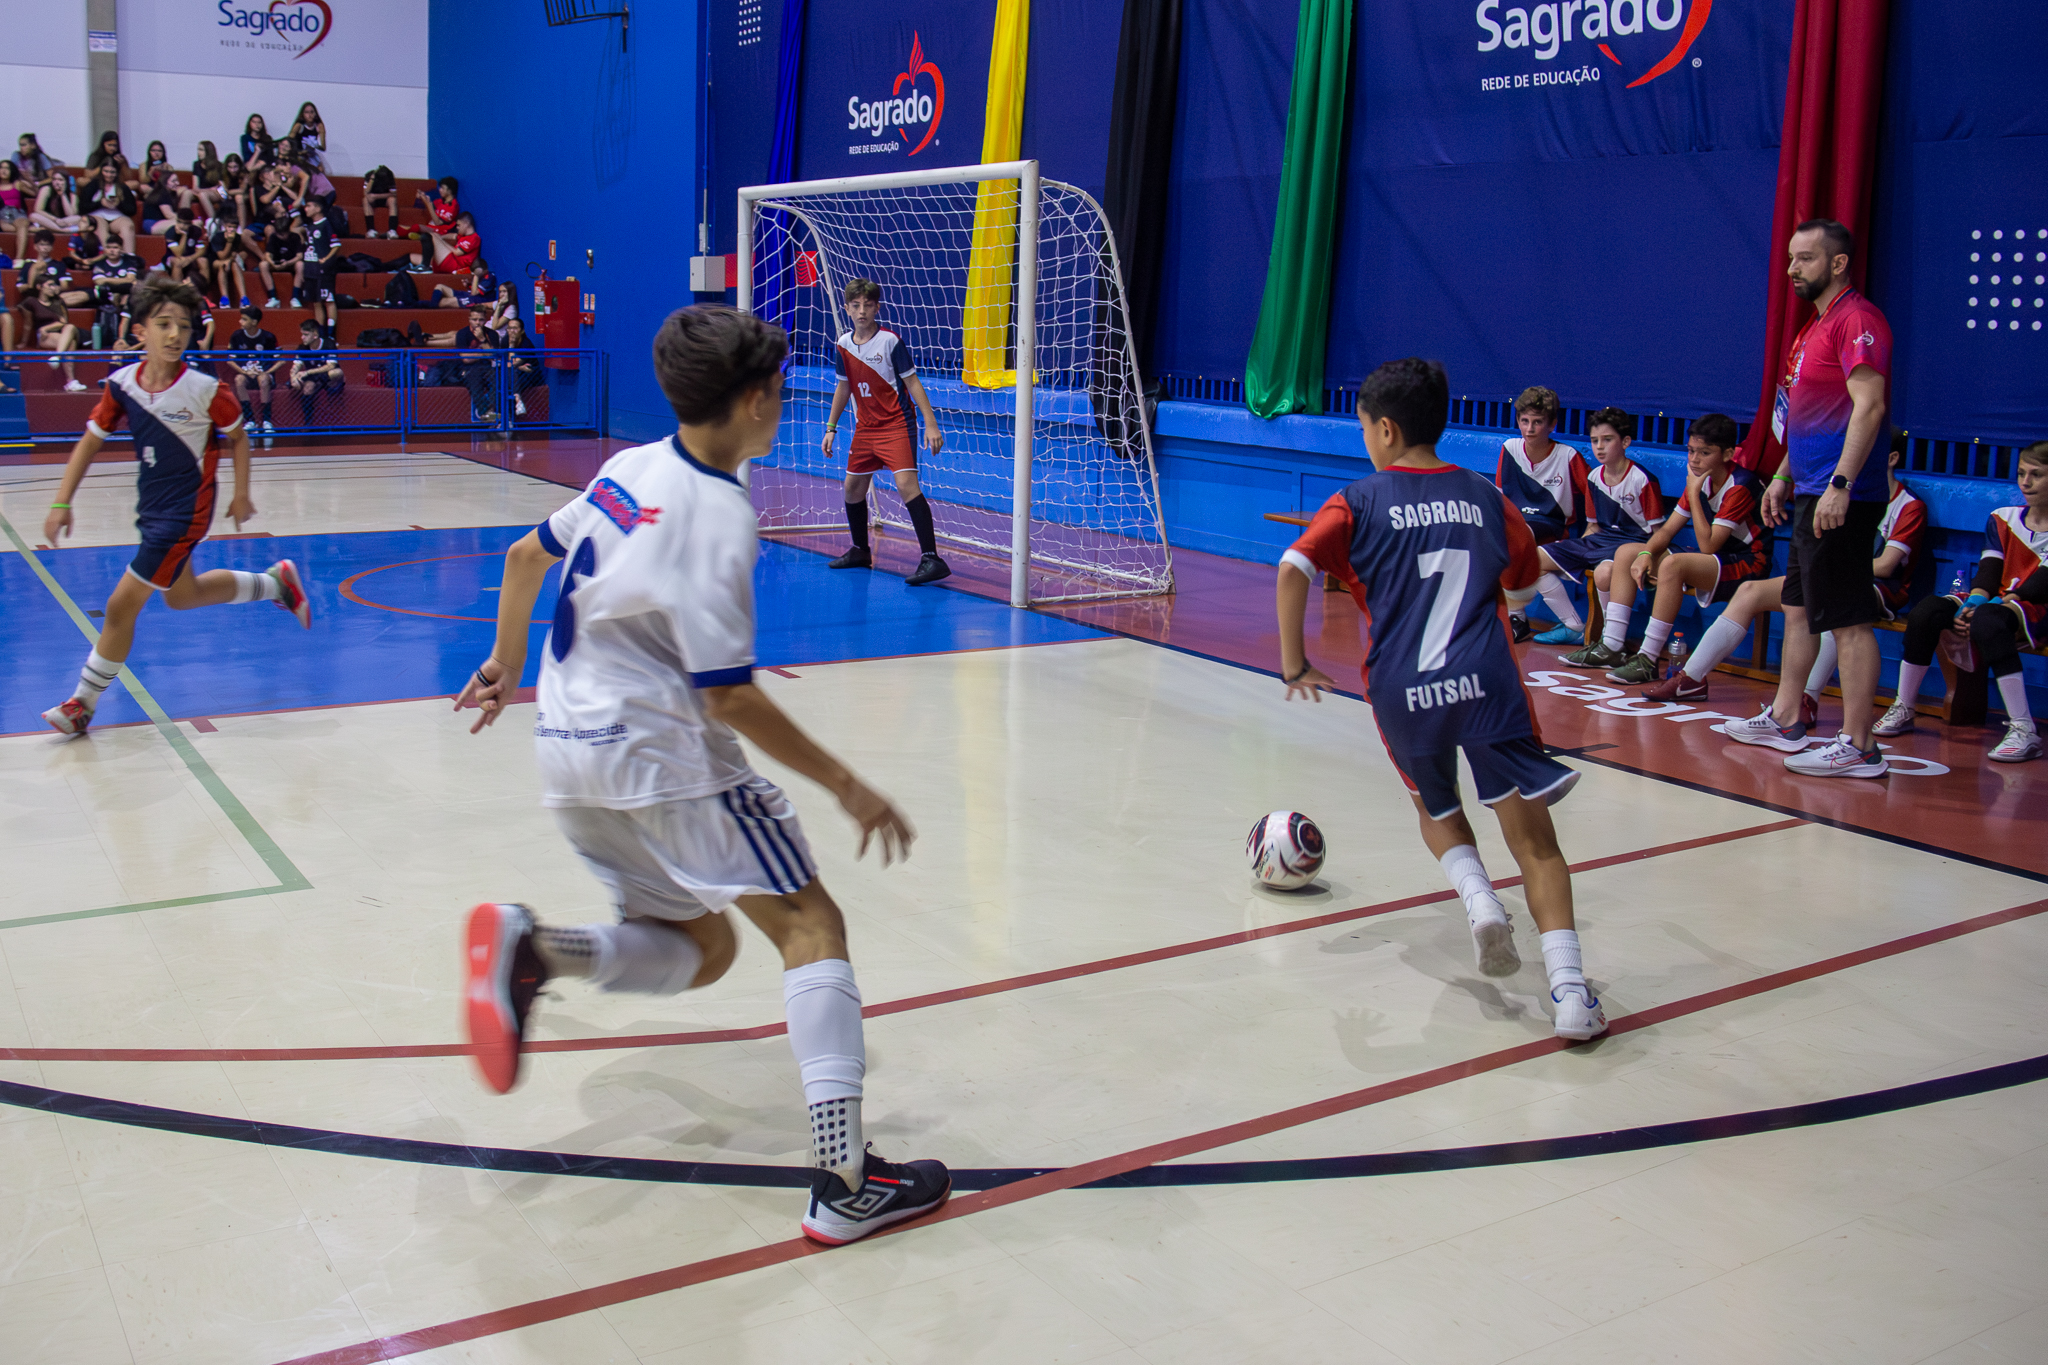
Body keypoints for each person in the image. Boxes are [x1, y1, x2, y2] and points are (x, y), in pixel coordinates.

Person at [452, 303, 951, 1245]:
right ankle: (845, 1181)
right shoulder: (722, 512)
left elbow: (523, 556)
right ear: (756, 400)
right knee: (810, 923)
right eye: (781, 389)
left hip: (566, 748)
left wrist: (504, 666)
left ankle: (539, 951)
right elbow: (727, 696)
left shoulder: (627, 466)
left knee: (701, 947)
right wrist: (848, 784)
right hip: (657, 753)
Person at [1276, 358, 1604, 1039]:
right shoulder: (1485, 495)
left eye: (1364, 428)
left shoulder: (1357, 500)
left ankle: (1480, 901)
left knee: (1436, 805)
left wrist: (1294, 662)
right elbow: (1522, 585)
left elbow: (1293, 566)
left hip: (1404, 684)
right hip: (1486, 681)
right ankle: (1572, 994)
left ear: (1385, 430)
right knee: (1536, 844)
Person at [38, 276, 310, 736]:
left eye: (183, 326)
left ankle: (82, 703)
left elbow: (239, 438)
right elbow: (90, 441)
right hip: (153, 510)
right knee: (183, 596)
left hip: (185, 514)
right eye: (163, 324)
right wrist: (62, 501)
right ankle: (275, 584)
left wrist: (241, 493)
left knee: (120, 607)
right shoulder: (121, 385)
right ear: (139, 330)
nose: (174, 334)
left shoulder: (205, 389)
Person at [1723, 218, 1895, 777]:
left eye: (1806, 259)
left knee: (1848, 620)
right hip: (1810, 490)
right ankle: (1786, 717)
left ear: (1838, 264)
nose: (1792, 269)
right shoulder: (1811, 329)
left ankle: (1860, 745)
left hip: (1841, 496)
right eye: (1792, 258)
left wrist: (1841, 484)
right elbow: (1804, 414)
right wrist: (1781, 476)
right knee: (1797, 608)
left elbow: (1869, 406)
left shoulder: (1857, 320)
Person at [1643, 434, 1925, 708]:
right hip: (1827, 574)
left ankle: (1807, 699)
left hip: (1877, 586)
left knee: (1833, 604)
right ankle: (1690, 679)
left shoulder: (1909, 506)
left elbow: (1886, 565)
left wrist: (1827, 567)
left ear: (1890, 458)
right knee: (1749, 592)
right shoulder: (1839, 495)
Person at [1871, 442, 2048, 763]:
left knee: (1989, 620)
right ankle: (1904, 706)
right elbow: (1989, 571)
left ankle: (2024, 728)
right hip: (1999, 601)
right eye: (2021, 473)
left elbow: (2040, 585)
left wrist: (1990, 607)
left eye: (2036, 475)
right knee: (1927, 612)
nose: (2026, 482)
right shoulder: (2002, 517)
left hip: (2038, 604)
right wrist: (1973, 603)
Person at [1561, 416, 1768, 683]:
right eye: (1691, 451)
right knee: (1626, 552)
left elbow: (1708, 546)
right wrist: (1646, 554)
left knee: (1673, 564)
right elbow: (1668, 530)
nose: (1694, 459)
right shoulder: (1700, 479)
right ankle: (1611, 646)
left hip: (1749, 561)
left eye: (1705, 453)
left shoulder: (1739, 485)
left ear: (1728, 454)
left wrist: (1693, 494)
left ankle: (1647, 659)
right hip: (1717, 558)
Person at [820, 279, 950, 585]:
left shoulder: (890, 342)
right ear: (847, 308)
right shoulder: (844, 344)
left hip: (896, 425)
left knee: (906, 485)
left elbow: (912, 382)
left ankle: (931, 558)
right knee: (852, 487)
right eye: (855, 305)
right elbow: (843, 387)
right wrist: (831, 427)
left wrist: (931, 423)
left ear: (877, 308)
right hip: (866, 428)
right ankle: (860, 550)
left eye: (867, 305)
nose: (861, 311)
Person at [1525, 406, 1664, 646]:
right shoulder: (1593, 477)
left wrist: (1647, 558)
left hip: (1633, 544)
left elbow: (1658, 534)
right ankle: (1573, 626)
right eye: (1594, 440)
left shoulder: (1642, 479)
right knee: (1533, 558)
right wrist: (1576, 552)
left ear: (1625, 442)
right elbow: (1593, 527)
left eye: (1607, 440)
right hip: (1600, 541)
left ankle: (1608, 641)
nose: (1599, 447)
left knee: (1604, 573)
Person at [1495, 385, 1590, 642]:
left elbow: (1595, 492)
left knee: (1514, 541)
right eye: (1524, 421)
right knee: (1495, 536)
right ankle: (1516, 618)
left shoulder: (1568, 456)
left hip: (1552, 525)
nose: (1529, 428)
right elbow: (1499, 497)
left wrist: (1594, 527)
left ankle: (1520, 617)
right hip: (1518, 525)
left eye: (1537, 422)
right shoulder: (1510, 448)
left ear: (1552, 424)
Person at [424, 303, 502, 422]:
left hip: (488, 367)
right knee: (474, 381)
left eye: (481, 320)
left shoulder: (492, 334)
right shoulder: (462, 334)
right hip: (469, 368)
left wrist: (483, 340)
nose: (477, 323)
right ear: (469, 319)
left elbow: (494, 357)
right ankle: (484, 413)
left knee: (497, 378)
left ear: (485, 320)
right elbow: (466, 359)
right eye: (474, 319)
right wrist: (485, 354)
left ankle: (494, 412)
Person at [18, 274, 86, 390]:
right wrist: (24, 342)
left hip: (63, 332)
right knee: (71, 343)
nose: (53, 288)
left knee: (70, 327)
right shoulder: (31, 302)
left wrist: (45, 328)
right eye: (49, 285)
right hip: (46, 337)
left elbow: (63, 322)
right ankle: (71, 382)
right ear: (39, 287)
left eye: (54, 285)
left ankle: (57, 357)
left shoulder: (58, 301)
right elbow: (28, 324)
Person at [224, 305, 284, 432]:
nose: (240, 321)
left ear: (254, 322)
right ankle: (250, 420)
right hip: (246, 373)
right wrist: (245, 372)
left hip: (264, 373)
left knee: (263, 380)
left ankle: (266, 421)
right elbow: (230, 360)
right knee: (239, 380)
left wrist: (266, 372)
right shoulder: (236, 336)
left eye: (244, 319)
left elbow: (281, 360)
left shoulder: (268, 337)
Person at [300, 193, 344, 341]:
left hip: (324, 270)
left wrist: (325, 259)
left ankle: (331, 335)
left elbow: (336, 245)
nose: (306, 209)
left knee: (328, 300)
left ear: (318, 208)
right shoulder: (310, 226)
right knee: (316, 302)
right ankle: (321, 334)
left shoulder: (326, 224)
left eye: (309, 206)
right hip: (310, 269)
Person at [288, 318, 344, 425]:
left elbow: (331, 365)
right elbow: (296, 365)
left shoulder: (329, 344)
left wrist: (308, 372)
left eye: (306, 334)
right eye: (302, 334)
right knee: (307, 388)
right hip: (314, 377)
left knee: (336, 373)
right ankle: (308, 422)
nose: (302, 337)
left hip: (327, 376)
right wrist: (293, 377)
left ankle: (332, 391)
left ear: (315, 335)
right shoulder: (302, 348)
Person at [81, 161, 139, 254]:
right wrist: (100, 203)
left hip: (117, 216)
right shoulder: (93, 185)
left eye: (112, 172)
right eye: (106, 171)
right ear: (101, 171)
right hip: (97, 215)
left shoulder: (123, 187)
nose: (109, 175)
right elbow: (82, 207)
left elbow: (132, 210)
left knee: (128, 226)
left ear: (117, 173)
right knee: (99, 226)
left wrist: (118, 204)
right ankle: (110, 254)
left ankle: (129, 257)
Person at [0, 158, 29, 261]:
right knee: (20, 227)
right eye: (1, 168)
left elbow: (35, 193)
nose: (3, 170)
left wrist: (28, 179)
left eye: (7, 168)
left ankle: (19, 258)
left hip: (16, 211)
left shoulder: (17, 184)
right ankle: (30, 229)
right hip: (1, 213)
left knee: (22, 224)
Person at [361, 164, 399, 238]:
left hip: (385, 199)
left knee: (393, 200)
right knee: (365, 200)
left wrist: (375, 196)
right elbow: (365, 193)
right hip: (372, 200)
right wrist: (372, 180)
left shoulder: (389, 176)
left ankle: (392, 230)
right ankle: (371, 230)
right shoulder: (369, 175)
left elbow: (394, 194)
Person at [287, 102, 326, 171]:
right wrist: (299, 152)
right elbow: (288, 142)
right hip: (299, 155)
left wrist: (321, 132)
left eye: (312, 112)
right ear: (302, 114)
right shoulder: (299, 126)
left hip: (311, 155)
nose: (309, 115)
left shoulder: (318, 126)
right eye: (306, 112)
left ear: (315, 114)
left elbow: (323, 147)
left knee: (320, 169)